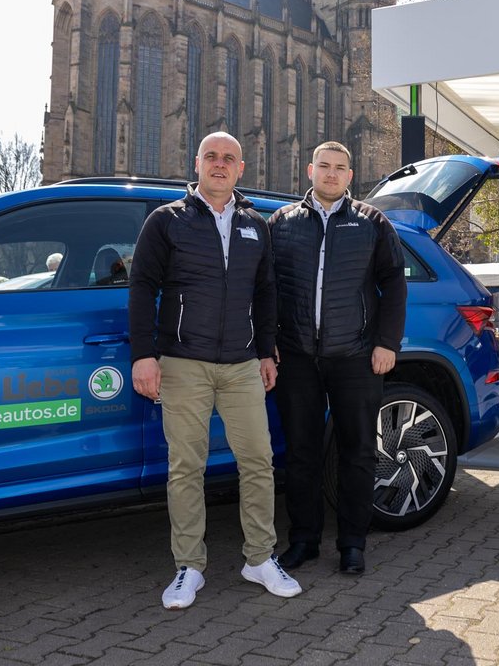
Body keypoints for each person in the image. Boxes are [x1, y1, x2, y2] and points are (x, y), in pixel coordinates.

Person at [128, 131, 300, 610]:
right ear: (197, 163)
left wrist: (265, 351)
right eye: (211, 157)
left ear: (241, 168)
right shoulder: (167, 221)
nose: (219, 164)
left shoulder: (255, 224)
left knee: (258, 462)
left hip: (242, 365)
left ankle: (259, 558)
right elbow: (141, 286)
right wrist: (144, 355)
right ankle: (189, 566)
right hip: (183, 362)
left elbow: (265, 292)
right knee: (186, 467)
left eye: (229, 158)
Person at [268, 141, 407, 576]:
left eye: (339, 168)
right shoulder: (281, 222)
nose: (331, 173)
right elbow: (265, 287)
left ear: (350, 175)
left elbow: (394, 283)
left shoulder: (371, 222)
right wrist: (267, 341)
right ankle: (304, 541)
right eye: (324, 166)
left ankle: (352, 544)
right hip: (296, 357)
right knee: (301, 454)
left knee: (358, 452)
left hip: (356, 357)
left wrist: (387, 343)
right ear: (309, 171)